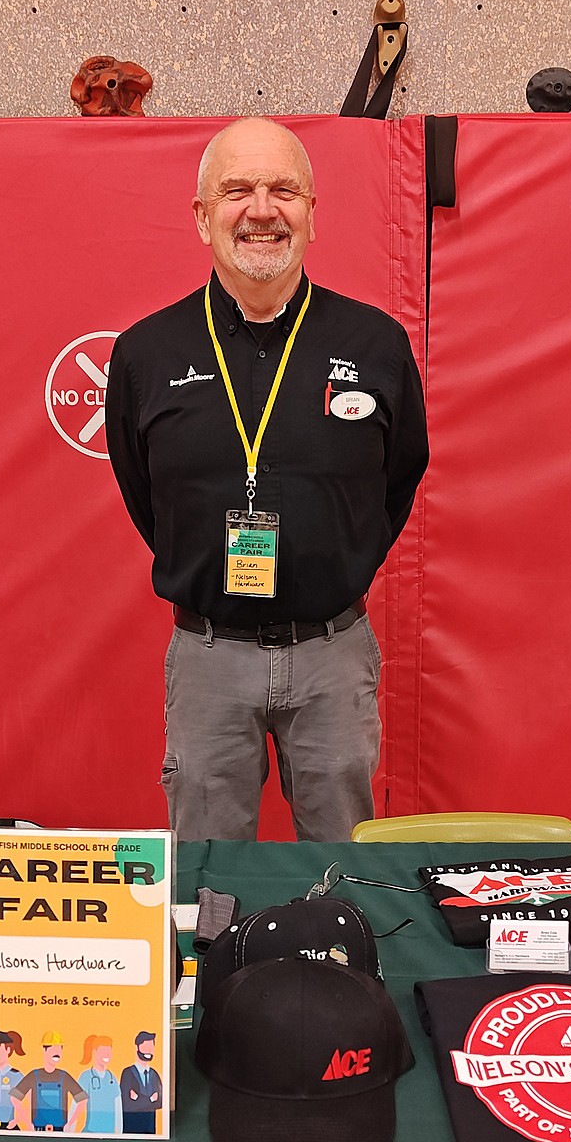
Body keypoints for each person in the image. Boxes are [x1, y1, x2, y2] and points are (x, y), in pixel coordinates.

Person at [106, 117, 428, 843]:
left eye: (283, 189)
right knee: (207, 879)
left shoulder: (375, 345)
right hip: (209, 655)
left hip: (333, 654)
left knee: (345, 869)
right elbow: (142, 490)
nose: (260, 209)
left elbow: (400, 476)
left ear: (313, 214)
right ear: (202, 217)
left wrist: (334, 565)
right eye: (236, 190)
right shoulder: (145, 353)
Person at [9, 1031, 88, 1133]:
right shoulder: (34, 1075)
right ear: (44, 1050)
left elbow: (83, 1100)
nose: (57, 1052)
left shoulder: (64, 1077)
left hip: (60, 1131)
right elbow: (14, 1098)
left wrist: (70, 1124)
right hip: (38, 1131)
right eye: (53, 1048)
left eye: (60, 1048)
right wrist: (28, 1123)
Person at [77, 1034, 123, 1134]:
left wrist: (119, 1134)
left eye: (109, 1051)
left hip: (109, 1135)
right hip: (90, 1133)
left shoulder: (112, 1079)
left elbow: (118, 1110)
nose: (107, 1054)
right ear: (94, 1052)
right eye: (103, 1051)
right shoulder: (85, 1077)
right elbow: (76, 1105)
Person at [119, 1030, 163, 1134]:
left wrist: (139, 1099)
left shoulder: (154, 1074)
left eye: (151, 1047)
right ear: (137, 1048)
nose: (149, 1051)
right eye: (146, 1047)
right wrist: (150, 1100)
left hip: (150, 1129)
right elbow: (127, 1104)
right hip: (131, 1128)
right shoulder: (128, 1073)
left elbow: (160, 1102)